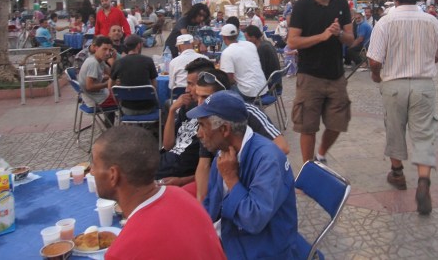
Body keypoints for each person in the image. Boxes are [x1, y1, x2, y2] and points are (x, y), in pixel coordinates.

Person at [367, 0, 438, 215]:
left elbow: (374, 60)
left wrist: (376, 75)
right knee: (424, 134)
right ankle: (423, 180)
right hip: (424, 85)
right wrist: (424, 64)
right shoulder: (431, 21)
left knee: (394, 129)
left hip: (394, 84)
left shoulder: (385, 22)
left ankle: (398, 173)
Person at [187, 90, 298, 259]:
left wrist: (231, 179)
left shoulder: (268, 159)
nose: (198, 133)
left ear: (224, 129)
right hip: (230, 235)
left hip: (261, 249)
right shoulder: (223, 152)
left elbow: (254, 220)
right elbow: (212, 202)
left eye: (202, 125)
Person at [91, 125, 225, 260]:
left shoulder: (122, 252)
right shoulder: (183, 196)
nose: (91, 171)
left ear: (113, 175)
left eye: (95, 165)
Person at [288, 0, 354, 163]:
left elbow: (350, 39)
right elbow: (293, 41)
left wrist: (338, 33)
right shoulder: (302, 6)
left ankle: (321, 154)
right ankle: (308, 168)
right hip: (309, 76)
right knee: (307, 127)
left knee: (338, 122)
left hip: (336, 75)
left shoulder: (341, 3)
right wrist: (322, 36)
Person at [192, 68, 289, 201]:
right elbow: (203, 165)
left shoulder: (248, 112)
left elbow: (282, 147)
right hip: (223, 180)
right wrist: (201, 204)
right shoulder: (207, 121)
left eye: (205, 97)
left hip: (249, 181)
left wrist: (240, 169)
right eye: (197, 96)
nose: (199, 103)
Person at [157, 58, 213, 183]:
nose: (187, 89)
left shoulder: (214, 117)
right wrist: (172, 111)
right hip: (164, 162)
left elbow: (210, 168)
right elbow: (168, 145)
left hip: (177, 172)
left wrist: (182, 181)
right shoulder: (188, 107)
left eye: (191, 84)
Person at [109, 35, 158, 116]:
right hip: (148, 108)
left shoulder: (118, 63)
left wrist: (118, 103)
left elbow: (110, 86)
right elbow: (154, 86)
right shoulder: (148, 60)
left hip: (127, 109)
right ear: (138, 45)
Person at [219, 23, 267, 101]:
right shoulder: (250, 45)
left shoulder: (227, 52)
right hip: (263, 88)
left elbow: (228, 79)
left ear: (223, 37)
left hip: (248, 92)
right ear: (237, 34)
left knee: (219, 91)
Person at [78, 36, 116, 110]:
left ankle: (110, 117)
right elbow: (89, 87)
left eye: (110, 50)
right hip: (97, 100)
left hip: (99, 95)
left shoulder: (98, 59)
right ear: (96, 48)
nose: (107, 53)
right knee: (126, 99)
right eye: (104, 49)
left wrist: (113, 59)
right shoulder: (93, 63)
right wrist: (108, 83)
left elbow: (112, 74)